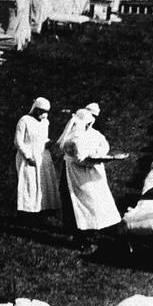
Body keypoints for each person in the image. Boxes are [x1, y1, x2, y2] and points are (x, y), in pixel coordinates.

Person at [60, 107, 122, 250]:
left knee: (93, 201)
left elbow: (103, 145)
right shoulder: (73, 139)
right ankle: (80, 236)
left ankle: (91, 232)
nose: (89, 126)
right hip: (76, 172)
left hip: (88, 171)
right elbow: (80, 159)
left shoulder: (90, 134)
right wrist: (101, 159)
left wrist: (98, 154)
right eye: (87, 123)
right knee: (80, 203)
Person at [15, 97, 61, 216]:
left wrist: (48, 142)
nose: (43, 114)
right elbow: (18, 141)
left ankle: (42, 209)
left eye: (46, 111)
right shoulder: (24, 120)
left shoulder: (45, 122)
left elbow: (42, 137)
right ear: (36, 109)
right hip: (28, 156)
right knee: (29, 183)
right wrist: (28, 156)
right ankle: (27, 211)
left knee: (43, 183)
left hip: (42, 155)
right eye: (41, 111)